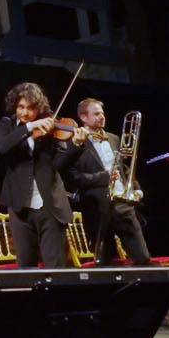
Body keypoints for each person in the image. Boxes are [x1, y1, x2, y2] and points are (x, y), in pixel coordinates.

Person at [0, 83, 76, 267]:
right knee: (25, 265)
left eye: (31, 108)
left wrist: (78, 145)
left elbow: (60, 164)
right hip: (19, 205)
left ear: (39, 108)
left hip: (49, 204)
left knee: (55, 265)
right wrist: (29, 128)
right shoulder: (7, 125)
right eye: (21, 107)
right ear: (15, 106)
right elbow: (3, 147)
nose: (25, 113)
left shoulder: (50, 127)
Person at [60, 98, 148, 265]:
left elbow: (125, 169)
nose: (102, 116)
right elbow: (72, 177)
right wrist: (103, 177)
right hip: (97, 207)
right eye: (96, 113)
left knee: (142, 258)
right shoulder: (76, 142)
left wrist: (136, 188)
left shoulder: (114, 138)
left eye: (102, 113)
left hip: (123, 204)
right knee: (105, 262)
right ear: (83, 117)